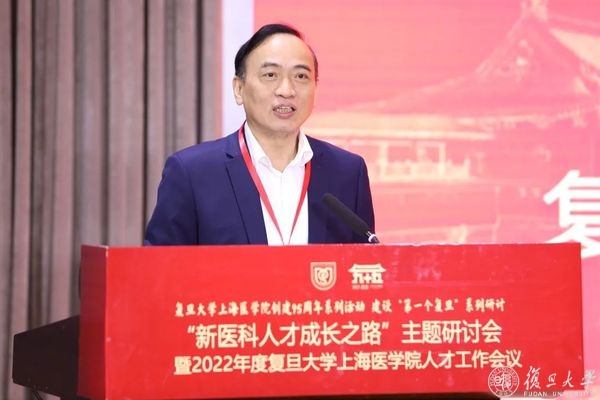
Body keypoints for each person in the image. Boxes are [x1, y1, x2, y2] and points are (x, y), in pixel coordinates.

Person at [144, 23, 375, 245]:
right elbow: (160, 268)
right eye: (270, 75)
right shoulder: (192, 172)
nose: (287, 90)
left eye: (301, 76)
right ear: (239, 89)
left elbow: (364, 265)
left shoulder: (348, 173)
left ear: (316, 88)